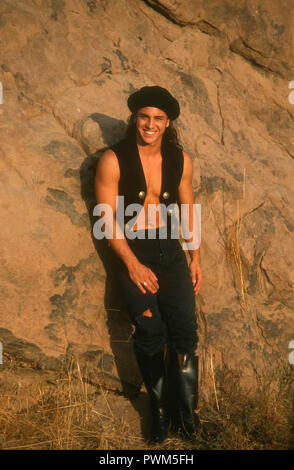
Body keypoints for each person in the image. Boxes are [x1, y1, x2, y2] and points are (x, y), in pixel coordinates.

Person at [95, 86, 203, 443]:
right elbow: (106, 219)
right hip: (134, 250)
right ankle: (158, 413)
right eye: (144, 117)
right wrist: (131, 264)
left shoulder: (181, 159)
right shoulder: (113, 159)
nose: (150, 125)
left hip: (171, 251)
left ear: (168, 122)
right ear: (134, 118)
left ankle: (186, 417)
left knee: (186, 330)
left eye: (158, 118)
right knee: (150, 330)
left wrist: (195, 257)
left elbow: (187, 210)